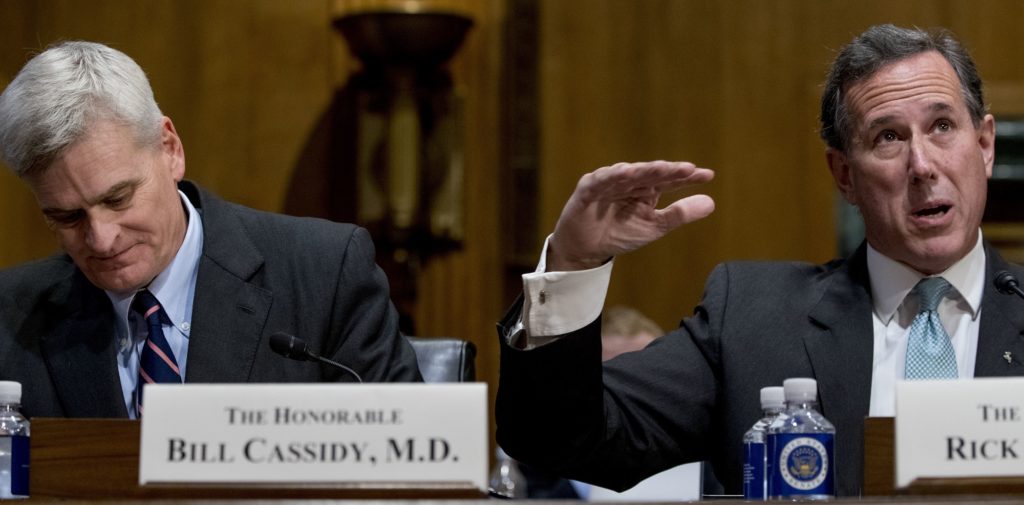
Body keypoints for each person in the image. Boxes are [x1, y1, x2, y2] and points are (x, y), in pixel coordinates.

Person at [495, 24, 1024, 497]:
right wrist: (574, 265)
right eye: (888, 137)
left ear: (983, 145)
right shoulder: (752, 321)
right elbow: (559, 439)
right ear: (844, 176)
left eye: (942, 127)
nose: (922, 165)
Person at [0, 41, 421, 419]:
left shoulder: (325, 275)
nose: (101, 239)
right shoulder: (11, 318)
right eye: (68, 218)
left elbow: (412, 460)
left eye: (118, 198)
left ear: (169, 150)